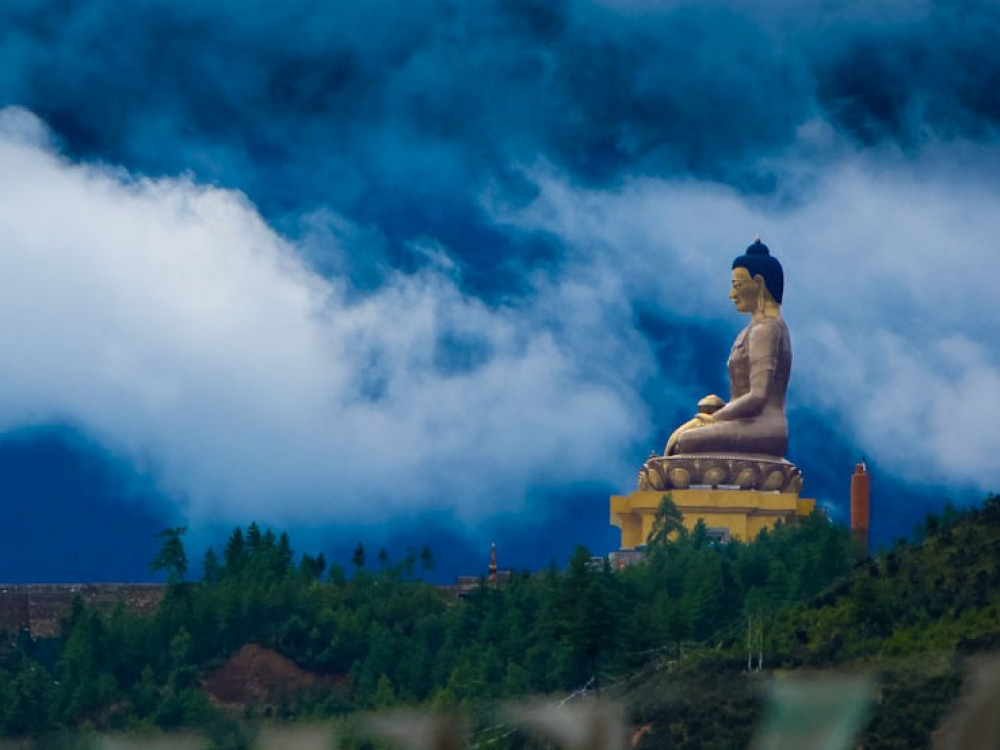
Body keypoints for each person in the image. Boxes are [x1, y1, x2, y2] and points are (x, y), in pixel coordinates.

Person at [667, 239, 790, 458]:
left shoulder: (767, 330)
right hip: (742, 423)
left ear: (759, 283)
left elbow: (758, 397)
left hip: (764, 428)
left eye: (737, 286)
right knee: (681, 444)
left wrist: (714, 420)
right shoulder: (753, 330)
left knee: (686, 442)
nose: (731, 295)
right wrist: (717, 410)